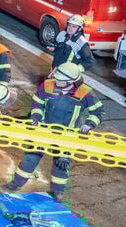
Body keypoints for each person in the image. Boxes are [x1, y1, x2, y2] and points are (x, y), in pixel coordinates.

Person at [6, 63, 104, 199]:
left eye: (60, 80)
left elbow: (98, 112)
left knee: (61, 164)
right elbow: (37, 103)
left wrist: (89, 124)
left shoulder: (85, 92)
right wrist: (36, 116)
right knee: (30, 158)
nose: (56, 81)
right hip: (45, 130)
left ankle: (58, 191)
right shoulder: (47, 85)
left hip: (67, 136)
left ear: (71, 81)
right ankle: (16, 183)